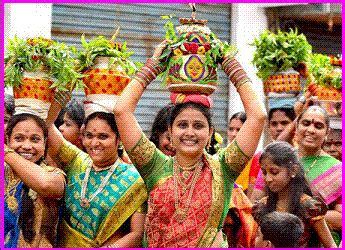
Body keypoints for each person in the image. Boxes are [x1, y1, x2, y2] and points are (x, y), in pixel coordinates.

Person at [113, 42, 267, 247]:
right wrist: (154, 66)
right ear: (170, 130)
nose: (190, 133)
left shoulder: (224, 168)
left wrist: (228, 64)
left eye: (198, 126)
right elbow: (121, 110)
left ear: (211, 132)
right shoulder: (154, 166)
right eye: (182, 125)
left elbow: (257, 116)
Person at [44, 93, 147, 248]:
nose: (94, 143)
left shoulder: (135, 179)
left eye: (103, 136)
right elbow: (48, 124)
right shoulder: (77, 160)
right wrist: (61, 94)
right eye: (89, 136)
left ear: (118, 140)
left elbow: (137, 234)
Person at [253, 104, 342, 245]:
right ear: (296, 126)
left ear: (327, 132)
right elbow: (256, 201)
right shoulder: (277, 159)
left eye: (318, 126)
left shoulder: (338, 170)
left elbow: (340, 218)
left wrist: (304, 212)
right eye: (305, 124)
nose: (310, 130)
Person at [252, 141, 336, 247]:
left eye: (274, 172)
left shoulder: (309, 206)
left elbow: (331, 245)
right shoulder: (262, 206)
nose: (268, 179)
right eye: (264, 173)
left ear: (293, 170)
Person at [4, 113, 66, 248]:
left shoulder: (54, 175)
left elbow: (45, 185)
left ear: (44, 143)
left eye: (35, 139)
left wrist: (5, 151)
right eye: (19, 138)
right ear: (8, 140)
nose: (26, 146)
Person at [249, 106, 296, 202]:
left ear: (294, 125)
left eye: (284, 123)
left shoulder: (300, 155)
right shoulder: (259, 157)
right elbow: (252, 201)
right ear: (268, 127)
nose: (279, 128)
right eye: (274, 124)